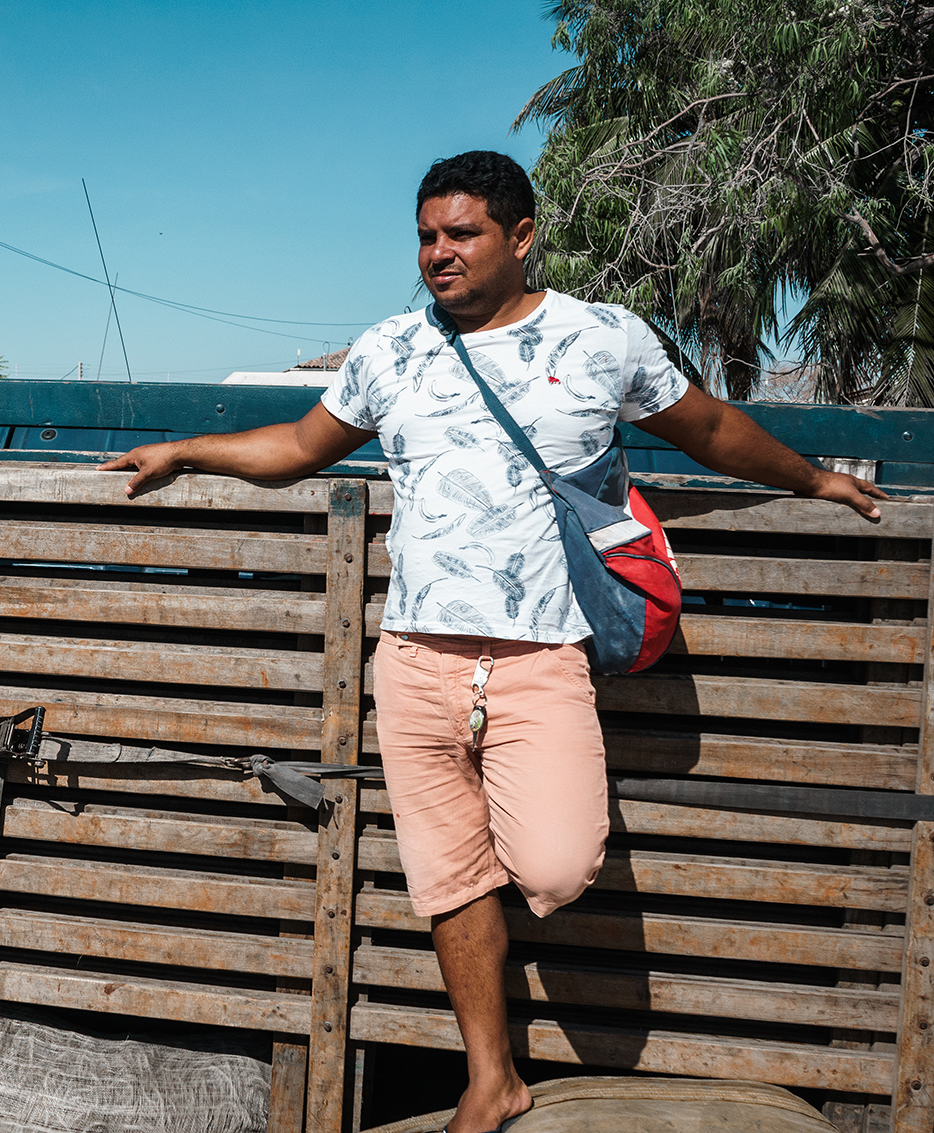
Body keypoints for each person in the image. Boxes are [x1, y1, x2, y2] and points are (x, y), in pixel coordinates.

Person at [99, 150, 886, 1133]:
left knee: (554, 866)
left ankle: (502, 1034)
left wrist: (812, 481)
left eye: (461, 234)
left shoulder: (600, 337)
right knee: (448, 874)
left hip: (540, 654)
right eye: (426, 236)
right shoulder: (390, 348)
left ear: (521, 237)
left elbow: (711, 428)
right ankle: (490, 1074)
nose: (438, 253)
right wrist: (186, 449)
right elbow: (300, 449)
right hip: (416, 653)